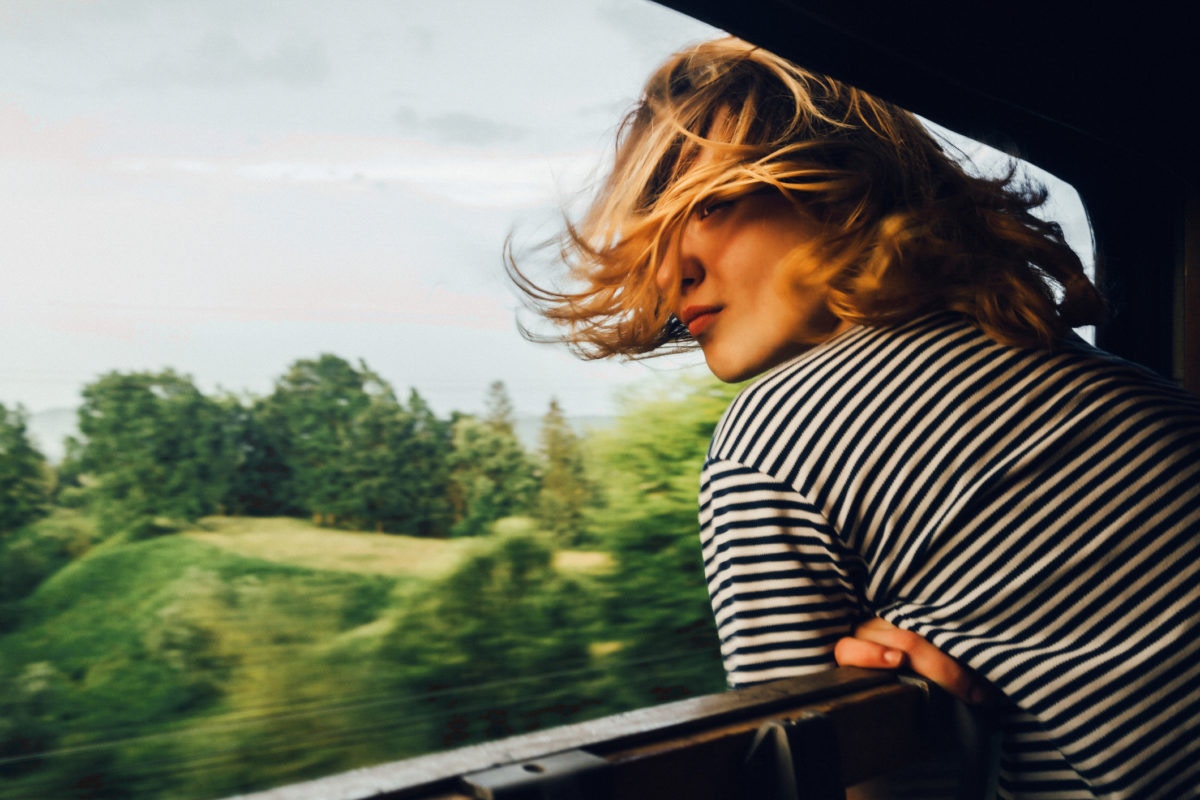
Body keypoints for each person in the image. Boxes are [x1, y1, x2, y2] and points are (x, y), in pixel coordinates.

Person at [508, 37, 1200, 799]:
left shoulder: (768, 442)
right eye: (654, 237)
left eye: (711, 205)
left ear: (840, 190)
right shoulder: (1105, 379)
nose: (672, 272)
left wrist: (923, 739)